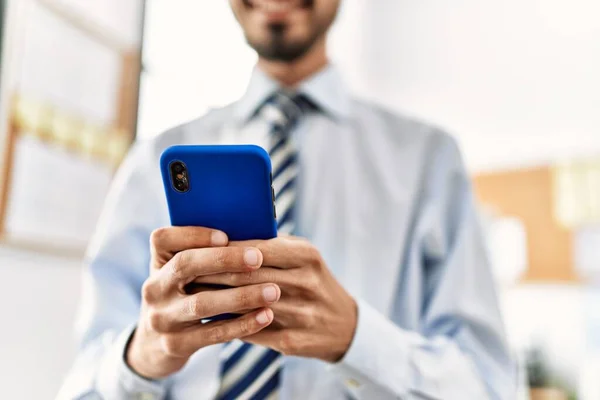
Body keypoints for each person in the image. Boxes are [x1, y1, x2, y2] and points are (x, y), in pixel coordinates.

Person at [59, 0, 515, 399]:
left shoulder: (429, 160)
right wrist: (142, 356)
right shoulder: (154, 160)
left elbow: (488, 386)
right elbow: (80, 386)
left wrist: (357, 339)